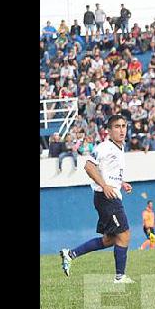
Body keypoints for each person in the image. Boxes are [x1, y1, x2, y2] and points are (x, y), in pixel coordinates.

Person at [59, 115, 136, 283]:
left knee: (110, 239)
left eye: (124, 126)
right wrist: (105, 185)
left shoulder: (119, 148)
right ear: (108, 130)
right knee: (124, 234)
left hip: (109, 194)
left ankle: (70, 254)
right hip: (106, 197)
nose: (122, 129)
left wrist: (121, 183)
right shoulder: (105, 147)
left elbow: (107, 171)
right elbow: (88, 166)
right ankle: (119, 277)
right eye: (117, 126)